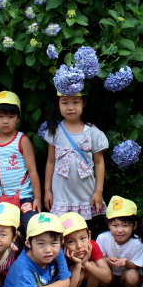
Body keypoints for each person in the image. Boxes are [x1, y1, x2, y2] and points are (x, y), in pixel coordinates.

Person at [42, 92, 108, 220]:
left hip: (85, 195)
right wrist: (47, 190)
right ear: (58, 104)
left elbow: (99, 163)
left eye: (75, 102)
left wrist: (98, 191)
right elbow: (50, 162)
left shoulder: (93, 132)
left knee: (81, 232)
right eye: (65, 102)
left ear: (83, 103)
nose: (70, 107)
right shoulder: (55, 131)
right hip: (61, 195)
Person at [0, 90, 42, 235]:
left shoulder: (22, 140)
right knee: (1, 231)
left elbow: (32, 171)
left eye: (11, 117)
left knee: (33, 227)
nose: (5, 121)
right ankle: (10, 257)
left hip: (24, 197)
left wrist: (37, 198)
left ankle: (32, 256)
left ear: (17, 118)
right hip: (1, 198)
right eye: (0, 116)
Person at [60, 211, 112, 287]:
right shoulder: (60, 254)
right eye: (70, 241)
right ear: (62, 242)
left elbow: (107, 277)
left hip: (86, 286)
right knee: (76, 270)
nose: (79, 246)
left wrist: (85, 263)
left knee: (93, 265)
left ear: (89, 235)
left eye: (82, 238)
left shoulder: (92, 245)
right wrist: (78, 265)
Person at [96, 196, 143, 287]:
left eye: (125, 225)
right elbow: (97, 259)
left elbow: (136, 265)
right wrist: (107, 260)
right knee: (98, 268)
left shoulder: (137, 243)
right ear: (109, 225)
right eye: (115, 225)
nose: (120, 230)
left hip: (126, 274)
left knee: (132, 275)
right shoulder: (102, 238)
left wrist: (126, 263)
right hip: (110, 274)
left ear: (134, 226)